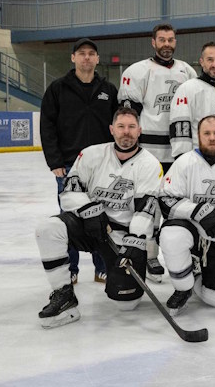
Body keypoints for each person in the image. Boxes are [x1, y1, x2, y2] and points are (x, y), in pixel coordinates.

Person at [34, 107, 163, 328]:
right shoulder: (91, 154)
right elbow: (68, 193)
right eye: (121, 126)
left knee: (126, 303)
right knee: (48, 229)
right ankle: (64, 296)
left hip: (121, 234)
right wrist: (89, 210)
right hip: (89, 226)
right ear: (112, 129)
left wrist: (134, 241)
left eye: (131, 127)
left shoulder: (150, 164)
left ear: (139, 130)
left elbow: (146, 210)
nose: (126, 132)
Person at [118, 23, 196, 280]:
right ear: (153, 42)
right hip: (149, 152)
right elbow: (129, 114)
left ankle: (182, 254)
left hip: (179, 151)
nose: (166, 44)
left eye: (170, 40)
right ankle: (150, 256)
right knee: (147, 204)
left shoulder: (187, 71)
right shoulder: (137, 71)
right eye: (162, 40)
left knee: (177, 205)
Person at [40, 38, 118, 285]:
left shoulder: (108, 90)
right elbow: (47, 126)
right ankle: (71, 268)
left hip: (101, 166)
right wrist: (54, 161)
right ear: (73, 58)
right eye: (82, 53)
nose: (86, 57)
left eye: (91, 53)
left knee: (101, 214)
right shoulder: (58, 89)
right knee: (69, 216)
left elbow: (116, 126)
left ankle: (102, 267)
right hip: (69, 165)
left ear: (97, 59)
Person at [158, 116, 215, 316]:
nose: (212, 138)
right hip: (193, 233)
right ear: (197, 136)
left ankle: (196, 273)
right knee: (171, 234)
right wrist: (200, 212)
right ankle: (183, 286)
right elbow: (165, 200)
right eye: (206, 133)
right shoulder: (184, 163)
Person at [169, 42, 215, 158]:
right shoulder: (187, 89)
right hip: (198, 159)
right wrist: (182, 159)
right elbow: (180, 130)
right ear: (201, 62)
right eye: (210, 60)